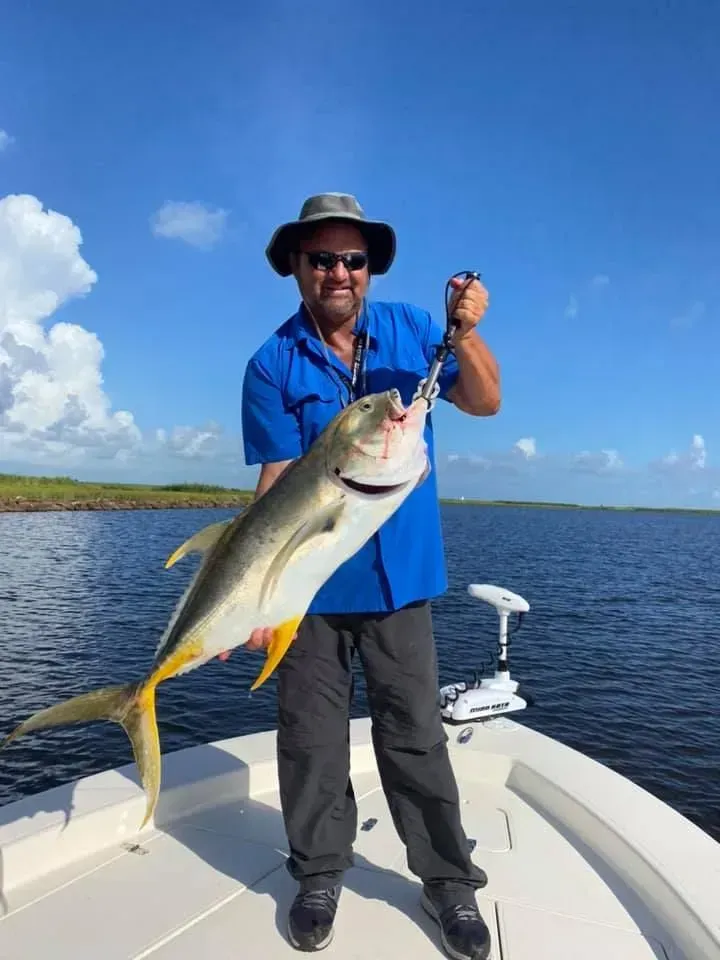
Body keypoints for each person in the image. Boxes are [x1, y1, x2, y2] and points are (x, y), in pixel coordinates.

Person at [232, 193, 500, 959]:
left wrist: (467, 333)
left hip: (402, 581)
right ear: (295, 267)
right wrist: (261, 591)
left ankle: (448, 880)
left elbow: (484, 400)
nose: (339, 271)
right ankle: (318, 871)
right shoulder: (271, 364)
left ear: (370, 266)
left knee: (415, 735)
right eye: (321, 258)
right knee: (308, 739)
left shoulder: (418, 331)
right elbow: (279, 481)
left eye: (353, 258)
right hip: (311, 591)